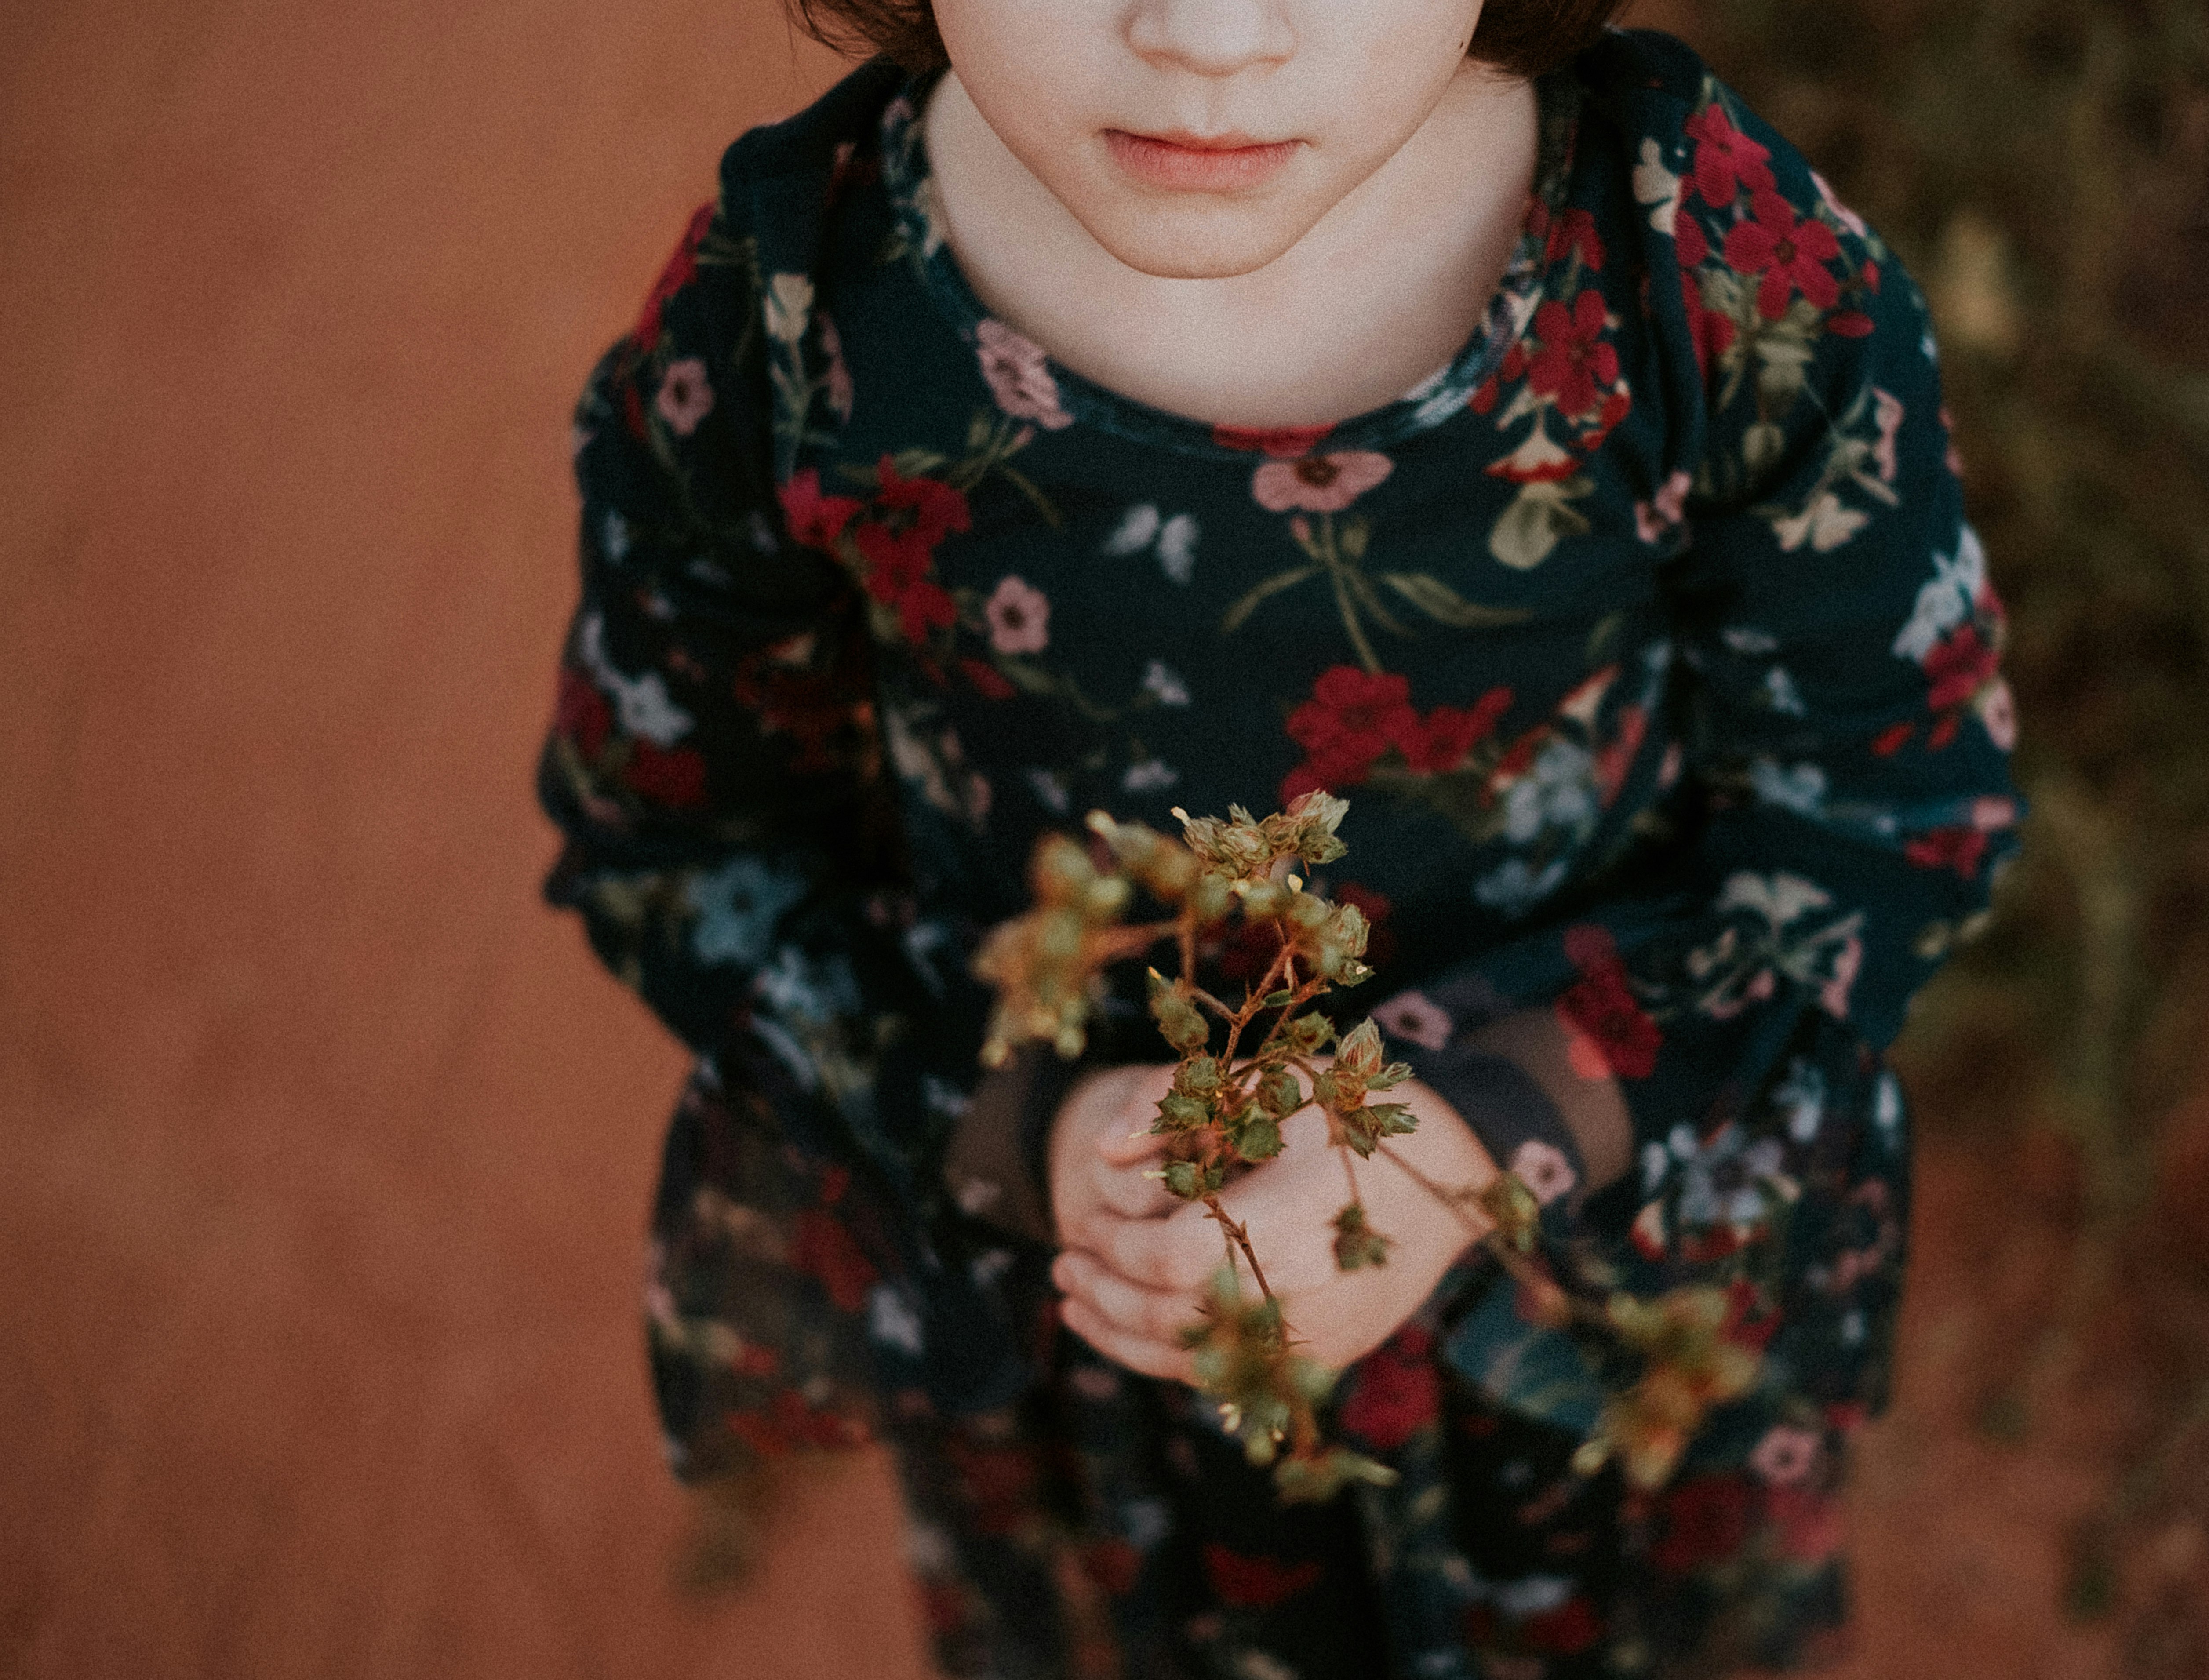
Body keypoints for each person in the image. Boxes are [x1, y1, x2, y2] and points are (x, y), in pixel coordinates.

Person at [536, 0, 2022, 1672]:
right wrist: (1040, 1130)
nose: (1211, 35)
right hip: (1118, 1403)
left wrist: (1462, 1149)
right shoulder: (788, 335)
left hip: (1592, 1361)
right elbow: (680, 854)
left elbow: (1887, 826)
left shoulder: (1704, 272)